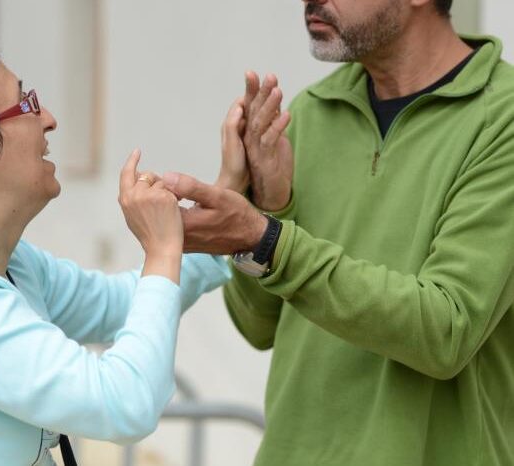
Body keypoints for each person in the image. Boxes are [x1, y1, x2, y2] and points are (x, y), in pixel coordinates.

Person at [161, 0, 514, 465]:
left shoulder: (501, 119)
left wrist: (267, 239)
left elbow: (446, 330)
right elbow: (258, 325)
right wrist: (271, 206)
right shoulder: (309, 113)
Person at [0, 28, 230, 466]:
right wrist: (162, 250)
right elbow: (124, 403)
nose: (49, 117)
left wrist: (230, 212)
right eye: (27, 103)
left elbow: (115, 306)